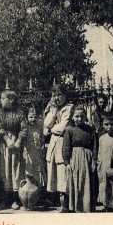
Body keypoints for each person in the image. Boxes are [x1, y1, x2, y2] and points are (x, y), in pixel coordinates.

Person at [0, 90, 28, 210]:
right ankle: (5, 199)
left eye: (3, 99)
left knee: (16, 170)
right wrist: (6, 139)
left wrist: (18, 140)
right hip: (4, 144)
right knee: (5, 170)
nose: (0, 100)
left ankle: (15, 199)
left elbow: (24, 128)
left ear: (11, 100)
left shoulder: (19, 113)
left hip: (16, 145)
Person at [62, 105, 98, 213]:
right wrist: (67, 162)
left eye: (82, 116)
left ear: (85, 117)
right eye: (76, 116)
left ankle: (87, 207)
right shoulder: (69, 130)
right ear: (72, 117)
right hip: (75, 158)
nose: (79, 119)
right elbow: (66, 147)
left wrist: (94, 161)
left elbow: (95, 146)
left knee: (87, 182)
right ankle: (75, 206)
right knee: (75, 182)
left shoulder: (90, 130)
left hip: (87, 158)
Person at [44, 84, 74, 212]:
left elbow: (63, 127)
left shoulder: (69, 108)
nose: (57, 98)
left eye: (60, 95)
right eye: (55, 95)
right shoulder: (53, 108)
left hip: (63, 142)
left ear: (65, 95)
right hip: (53, 143)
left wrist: (50, 129)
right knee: (53, 170)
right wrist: (53, 112)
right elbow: (46, 123)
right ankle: (54, 199)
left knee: (62, 172)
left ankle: (65, 202)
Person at [23, 107, 46, 204]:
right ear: (27, 117)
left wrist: (42, 147)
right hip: (29, 153)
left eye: (35, 117)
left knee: (39, 173)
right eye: (31, 117)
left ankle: (40, 197)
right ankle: (28, 197)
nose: (33, 119)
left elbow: (42, 140)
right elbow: (23, 141)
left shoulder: (40, 127)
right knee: (29, 173)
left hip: (37, 153)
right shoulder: (26, 128)